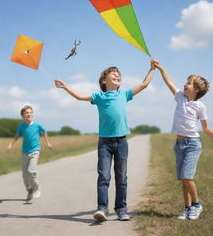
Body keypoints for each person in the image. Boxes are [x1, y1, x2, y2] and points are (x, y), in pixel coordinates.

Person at [55, 61, 156, 221]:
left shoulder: (124, 94)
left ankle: (121, 209)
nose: (117, 74)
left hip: (122, 142)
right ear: (104, 80)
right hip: (105, 144)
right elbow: (80, 96)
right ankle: (102, 208)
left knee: (121, 177)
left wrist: (152, 69)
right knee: (104, 176)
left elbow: (143, 84)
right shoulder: (98, 96)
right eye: (113, 73)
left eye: (118, 74)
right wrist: (65, 87)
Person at [152, 59, 213, 220]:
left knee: (187, 177)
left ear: (197, 89)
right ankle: (187, 209)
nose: (185, 84)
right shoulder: (179, 96)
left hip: (193, 144)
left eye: (189, 83)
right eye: (186, 81)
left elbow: (205, 127)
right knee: (183, 180)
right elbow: (169, 82)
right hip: (179, 144)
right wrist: (160, 68)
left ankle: (196, 205)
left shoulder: (200, 106)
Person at [7, 105, 52, 201]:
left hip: (35, 151)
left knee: (31, 171)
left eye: (31, 112)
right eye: (27, 113)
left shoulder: (37, 125)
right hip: (24, 152)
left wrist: (48, 143)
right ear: (23, 115)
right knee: (24, 175)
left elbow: (44, 132)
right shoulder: (22, 127)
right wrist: (11, 144)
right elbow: (17, 136)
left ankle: (37, 189)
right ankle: (29, 190)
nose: (29, 114)